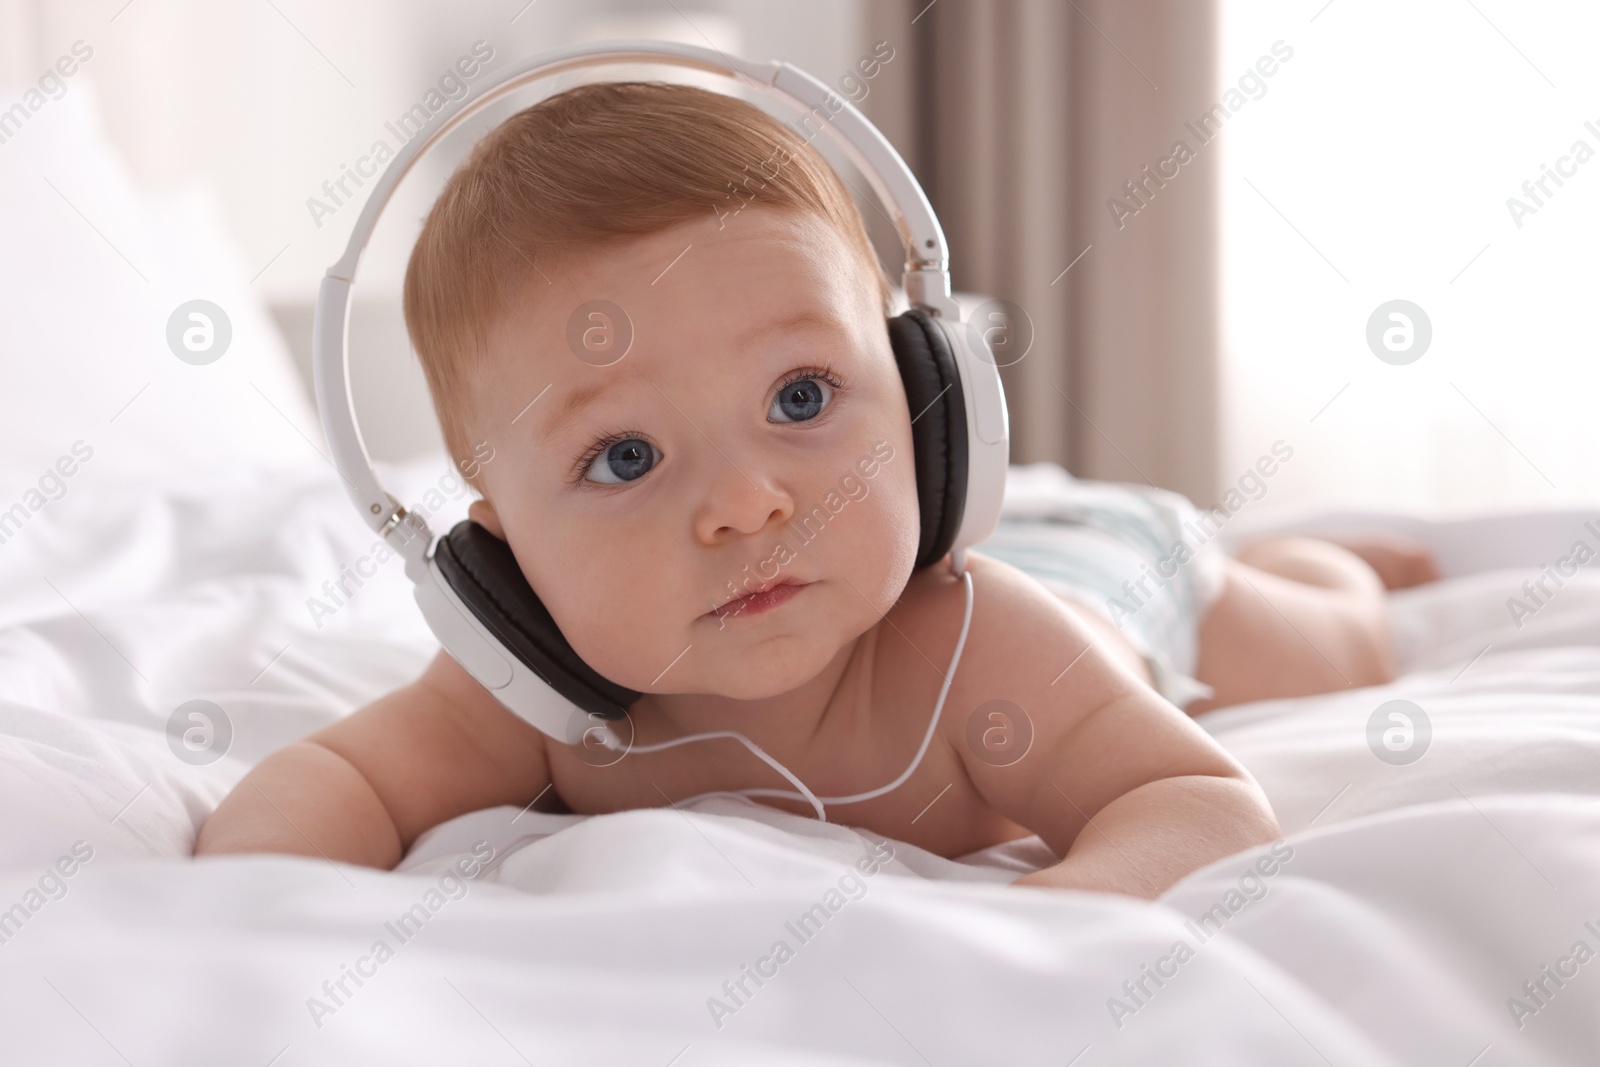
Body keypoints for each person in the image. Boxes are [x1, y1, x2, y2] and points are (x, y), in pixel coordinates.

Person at [197, 82, 1430, 899]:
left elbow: (1192, 796)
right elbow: (341, 779)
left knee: (1319, 641)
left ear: (926, 399)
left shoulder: (982, 647)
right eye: (623, 456)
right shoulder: (536, 697)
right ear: (498, 557)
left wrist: (1052, 925)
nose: (746, 503)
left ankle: (1320, 565)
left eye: (799, 397)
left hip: (1108, 577)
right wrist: (260, 905)